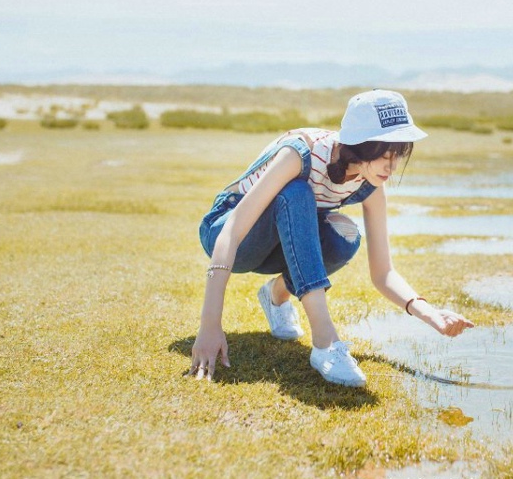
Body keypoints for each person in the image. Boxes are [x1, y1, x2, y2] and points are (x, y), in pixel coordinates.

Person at [190, 89, 475, 387]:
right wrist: (209, 325)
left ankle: (276, 295)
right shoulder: (301, 154)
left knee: (345, 236)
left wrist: (428, 313)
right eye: (384, 153)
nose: (392, 166)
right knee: (297, 192)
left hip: (281, 240)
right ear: (361, 145)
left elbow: (383, 273)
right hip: (230, 235)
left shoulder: (371, 184)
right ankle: (326, 342)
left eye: (398, 153)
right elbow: (232, 230)